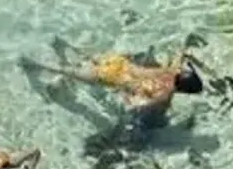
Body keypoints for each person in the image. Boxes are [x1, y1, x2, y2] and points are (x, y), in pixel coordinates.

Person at [21, 47, 206, 128]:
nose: (183, 69)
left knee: (86, 58)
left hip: (119, 62)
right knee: (69, 71)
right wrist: (127, 96)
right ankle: (33, 64)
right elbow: (139, 105)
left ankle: (61, 46)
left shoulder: (172, 69)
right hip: (111, 77)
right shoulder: (165, 95)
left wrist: (204, 67)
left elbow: (182, 52)